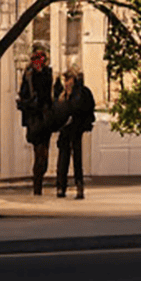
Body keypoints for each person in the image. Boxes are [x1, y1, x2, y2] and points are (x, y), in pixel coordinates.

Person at [16, 46, 58, 194]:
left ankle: (39, 178)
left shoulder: (48, 74)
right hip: (34, 118)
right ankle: (37, 185)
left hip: (45, 118)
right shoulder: (28, 75)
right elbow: (24, 95)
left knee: (44, 154)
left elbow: (49, 94)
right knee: (39, 151)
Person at [54, 69, 96, 199]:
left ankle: (78, 186)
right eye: (65, 80)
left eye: (68, 80)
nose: (66, 83)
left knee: (76, 159)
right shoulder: (63, 94)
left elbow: (80, 108)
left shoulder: (80, 93)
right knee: (63, 159)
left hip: (76, 128)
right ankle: (61, 186)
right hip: (66, 129)